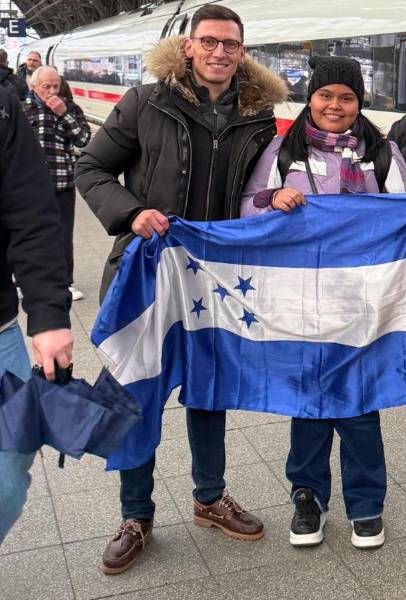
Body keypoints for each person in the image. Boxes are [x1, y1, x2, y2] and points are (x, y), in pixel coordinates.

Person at [75, 4, 287, 574]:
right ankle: (135, 515)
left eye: (231, 45)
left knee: (209, 391)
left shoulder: (260, 116)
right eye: (210, 42)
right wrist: (131, 211)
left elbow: (268, 189)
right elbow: (90, 167)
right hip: (147, 273)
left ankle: (209, 497)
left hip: (216, 282)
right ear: (189, 46)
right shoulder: (146, 102)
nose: (220, 53)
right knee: (136, 395)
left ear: (243, 52)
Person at [240, 55, 406, 550]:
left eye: (346, 97)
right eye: (326, 94)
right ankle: (307, 497)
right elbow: (248, 207)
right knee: (306, 405)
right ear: (311, 97)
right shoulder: (283, 151)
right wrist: (273, 199)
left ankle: (366, 506)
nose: (335, 105)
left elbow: (403, 211)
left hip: (362, 306)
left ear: (358, 103)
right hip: (299, 304)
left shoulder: (382, 153)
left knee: (359, 407)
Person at [0, 86, 74, 545]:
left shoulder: (4, 105)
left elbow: (30, 214)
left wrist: (48, 314)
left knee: (7, 474)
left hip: (0, 329)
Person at [24, 66, 91, 302]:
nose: (52, 91)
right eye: (46, 87)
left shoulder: (70, 108)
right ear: (34, 87)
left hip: (62, 181)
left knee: (62, 235)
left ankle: (65, 283)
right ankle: (26, 281)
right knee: (27, 233)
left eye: (56, 85)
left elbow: (84, 140)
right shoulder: (22, 109)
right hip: (27, 185)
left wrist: (64, 114)